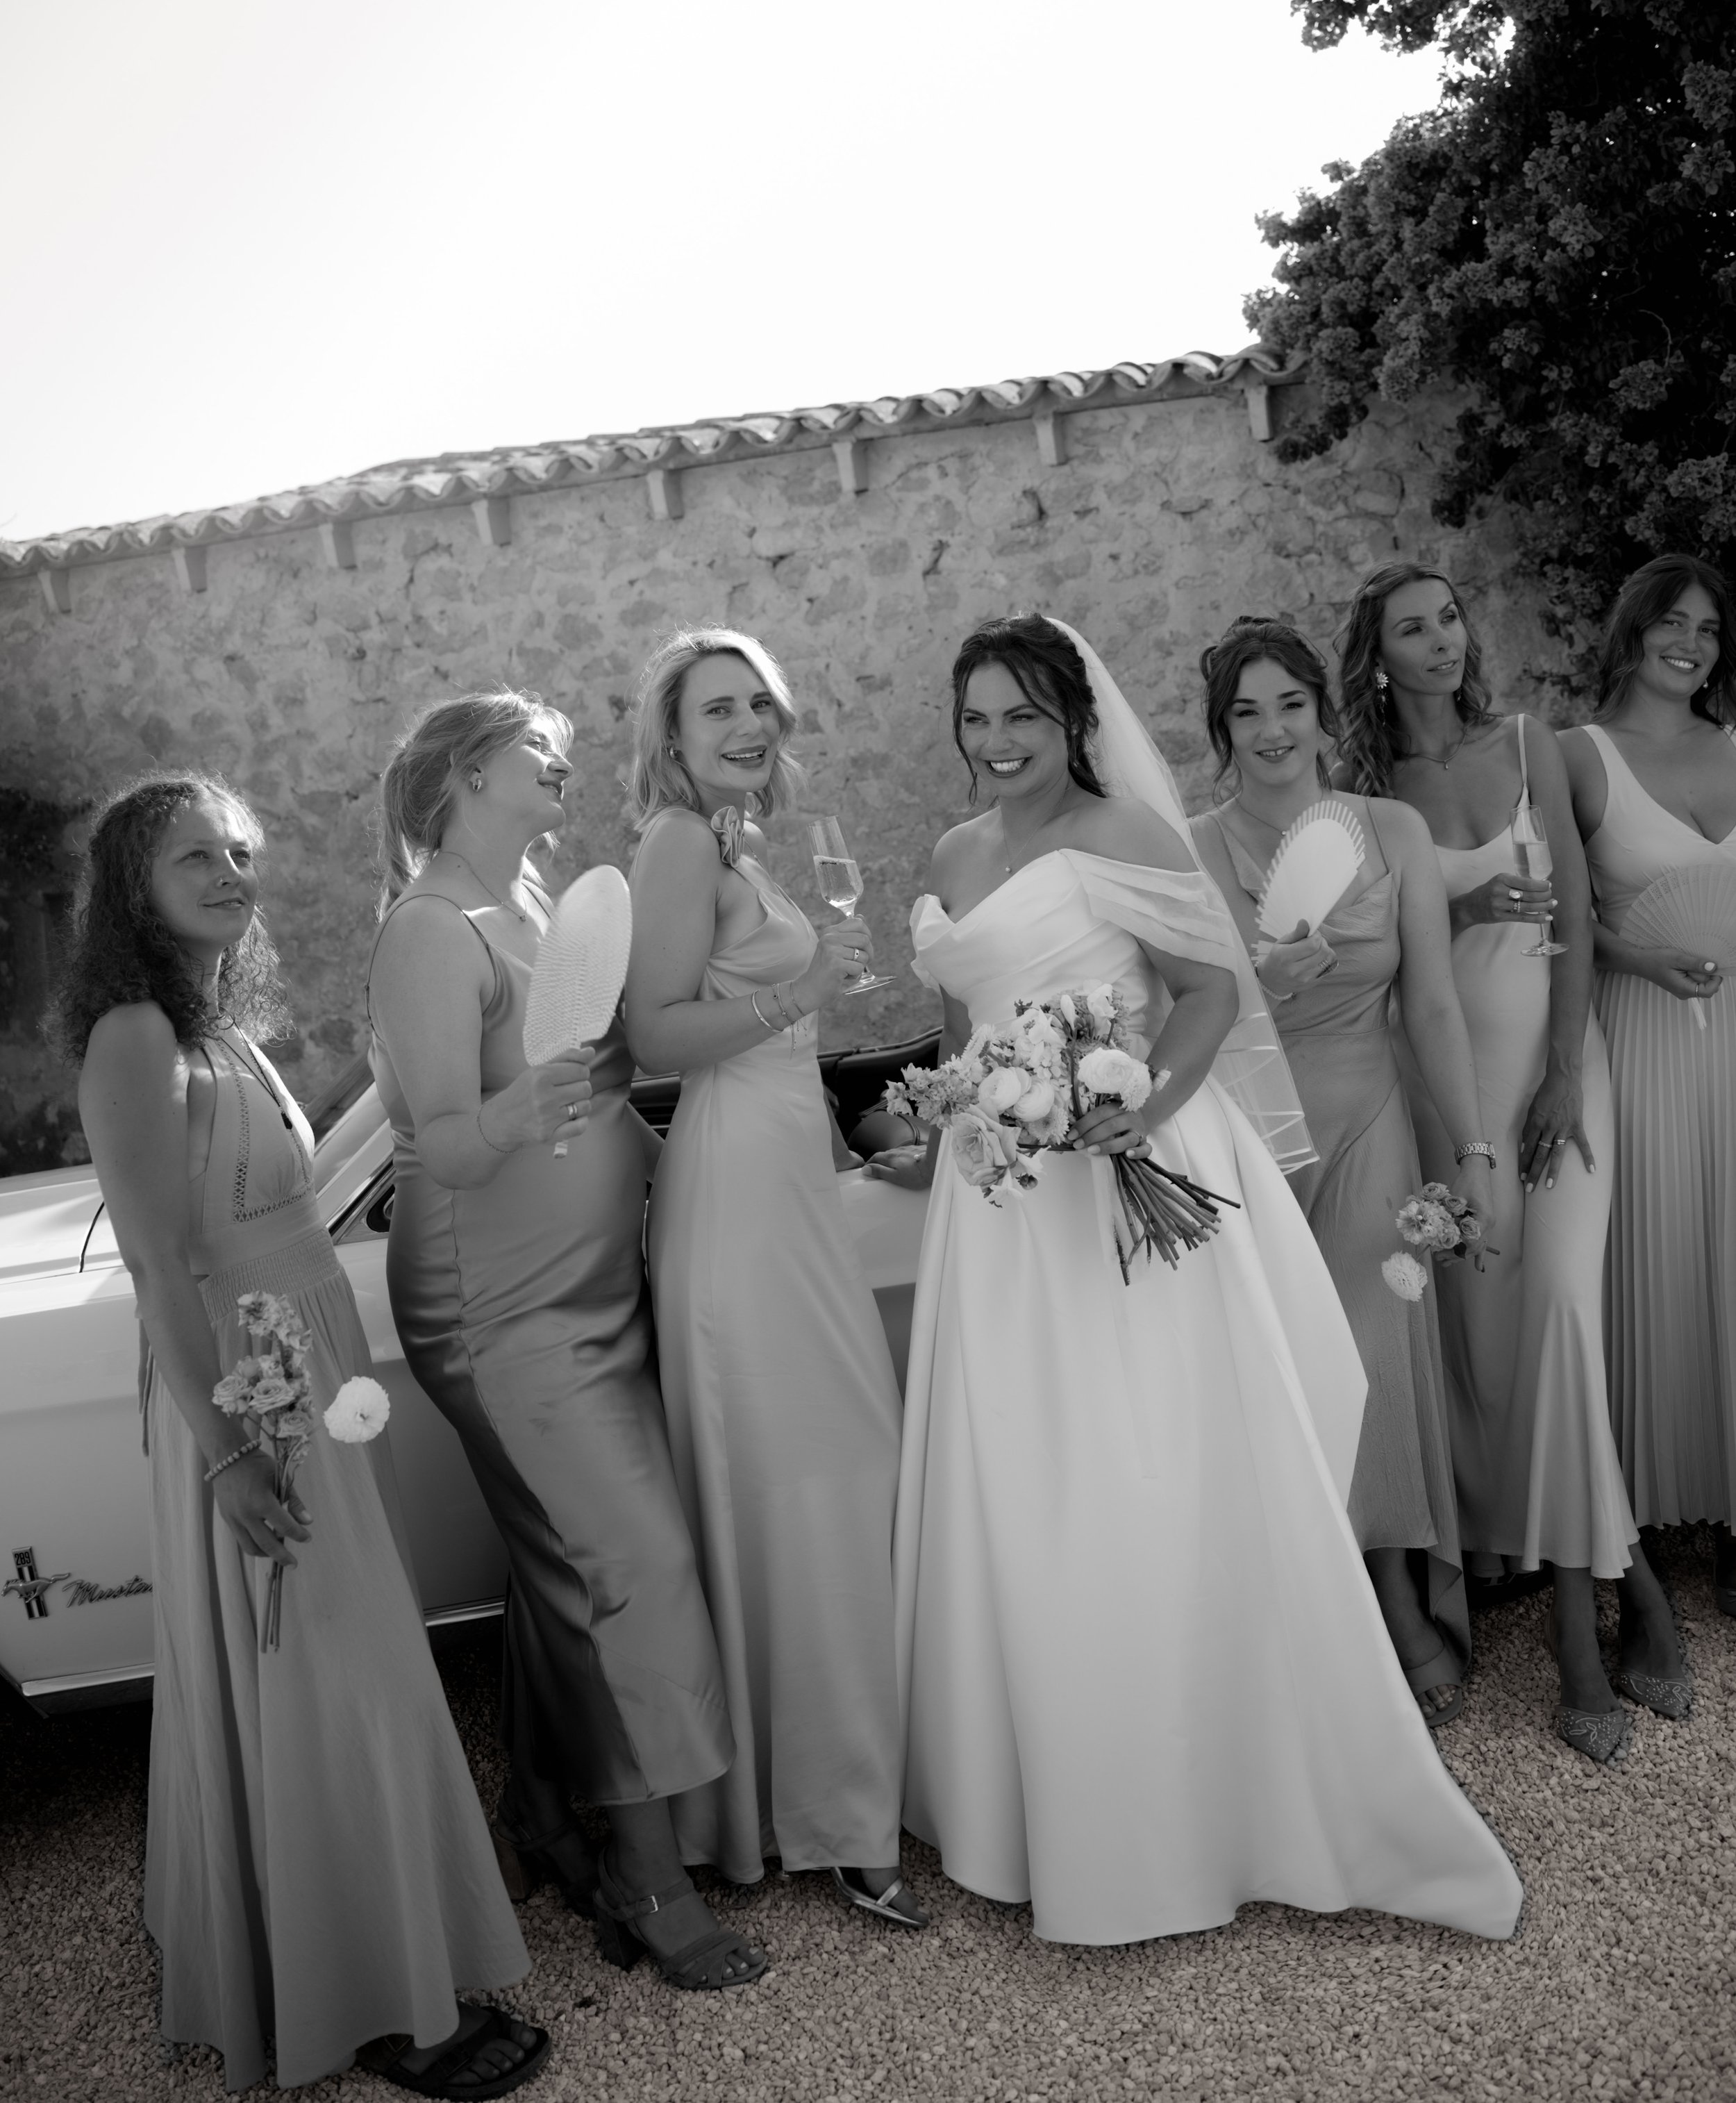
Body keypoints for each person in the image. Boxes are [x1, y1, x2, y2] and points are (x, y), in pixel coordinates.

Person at [869, 615, 1522, 1945]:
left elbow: (1212, 999)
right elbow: (962, 1029)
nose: (998, 745)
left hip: (1123, 1175)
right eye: (977, 719)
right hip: (1002, 1212)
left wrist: (1136, 1106)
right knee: (1028, 1474)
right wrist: (947, 1114)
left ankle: (1196, 1795)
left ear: (1075, 723)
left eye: (1025, 720)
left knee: (1145, 1464)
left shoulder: (1127, 838)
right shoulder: (951, 854)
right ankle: (1040, 1794)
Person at [65, 773, 544, 2096]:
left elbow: (291, 1197)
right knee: (333, 1672)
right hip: (248, 1384)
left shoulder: (216, 1024)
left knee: (340, 1661)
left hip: (307, 1357)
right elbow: (164, 1268)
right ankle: (384, 2000)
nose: (229, 872)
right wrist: (227, 1452)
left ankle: (362, 1947)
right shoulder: (131, 1035)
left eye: (240, 850)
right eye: (192, 857)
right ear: (131, 885)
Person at [366, 692, 765, 1993]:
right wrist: (520, 1105)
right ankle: (648, 1881)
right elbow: (437, 1139)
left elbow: (593, 1090)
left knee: (562, 1565)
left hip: (595, 1286)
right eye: (539, 749)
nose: (564, 763)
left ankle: (547, 1815)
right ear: (472, 770)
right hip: (501, 1303)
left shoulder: (537, 903)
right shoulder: (431, 927)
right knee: (629, 1560)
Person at [1339, 561, 1683, 1763]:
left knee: (1568, 1323)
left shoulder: (1530, 741)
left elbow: (1580, 919)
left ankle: (1590, 1636)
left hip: (1554, 1076)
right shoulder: (1363, 793)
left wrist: (1566, 1079)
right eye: (1411, 630)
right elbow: (1367, 963)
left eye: (1449, 617)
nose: (1442, 642)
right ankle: (1630, 1583)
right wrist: (1466, 915)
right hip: (1445, 1103)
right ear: (1377, 657)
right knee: (1494, 1359)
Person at [624, 627, 924, 1930]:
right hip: (736, 1201)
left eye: (761, 704)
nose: (748, 724)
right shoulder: (677, 842)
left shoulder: (739, 842)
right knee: (817, 1476)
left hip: (791, 1178)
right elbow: (655, 1035)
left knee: (823, 1482)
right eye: (717, 709)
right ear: (672, 736)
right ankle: (826, 1813)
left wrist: (873, 1119)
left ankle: (833, 1795)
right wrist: (806, 983)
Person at [1190, 616, 1484, 1727]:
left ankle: (1399, 1592)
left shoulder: (1392, 829)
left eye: (1290, 705)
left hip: (1372, 1126)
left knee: (1374, 1355)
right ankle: (1316, 1615)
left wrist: (1477, 1149)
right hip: (1249, 1144)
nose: (1273, 731)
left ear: (1324, 711)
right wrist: (1254, 981)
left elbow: (1437, 1004)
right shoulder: (1194, 846)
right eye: (1247, 712)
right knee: (1283, 1377)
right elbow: (1181, 1018)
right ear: (1223, 732)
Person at [1560, 554, 1736, 1627]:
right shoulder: (1579, 758)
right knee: (1666, 1249)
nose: (1693, 643)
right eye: (1673, 621)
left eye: (1711, 630)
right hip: (1640, 1035)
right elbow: (1565, 921)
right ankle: (1666, 1505)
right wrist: (1637, 962)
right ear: (1631, 628)